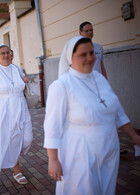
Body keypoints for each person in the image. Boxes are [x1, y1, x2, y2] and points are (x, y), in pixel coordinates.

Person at [44, 36, 140, 194]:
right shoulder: (62, 86)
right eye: (83, 55)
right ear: (70, 58)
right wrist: (53, 160)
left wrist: (134, 137)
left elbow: (117, 112)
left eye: (92, 53)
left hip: (109, 149)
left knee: (106, 190)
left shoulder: (100, 79)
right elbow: (52, 126)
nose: (90, 58)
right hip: (80, 152)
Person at [0, 44, 33, 184]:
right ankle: (17, 170)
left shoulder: (17, 69)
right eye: (2, 53)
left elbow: (25, 89)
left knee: (27, 138)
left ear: (11, 54)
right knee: (12, 140)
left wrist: (26, 82)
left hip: (21, 107)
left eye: (8, 52)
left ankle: (14, 156)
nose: (5, 55)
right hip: (3, 112)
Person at [80, 21, 128, 155]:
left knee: (108, 115)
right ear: (80, 32)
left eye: (91, 30)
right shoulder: (76, 48)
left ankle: (116, 146)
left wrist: (106, 84)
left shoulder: (99, 47)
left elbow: (101, 66)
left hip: (100, 88)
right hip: (86, 90)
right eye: (86, 30)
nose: (89, 32)